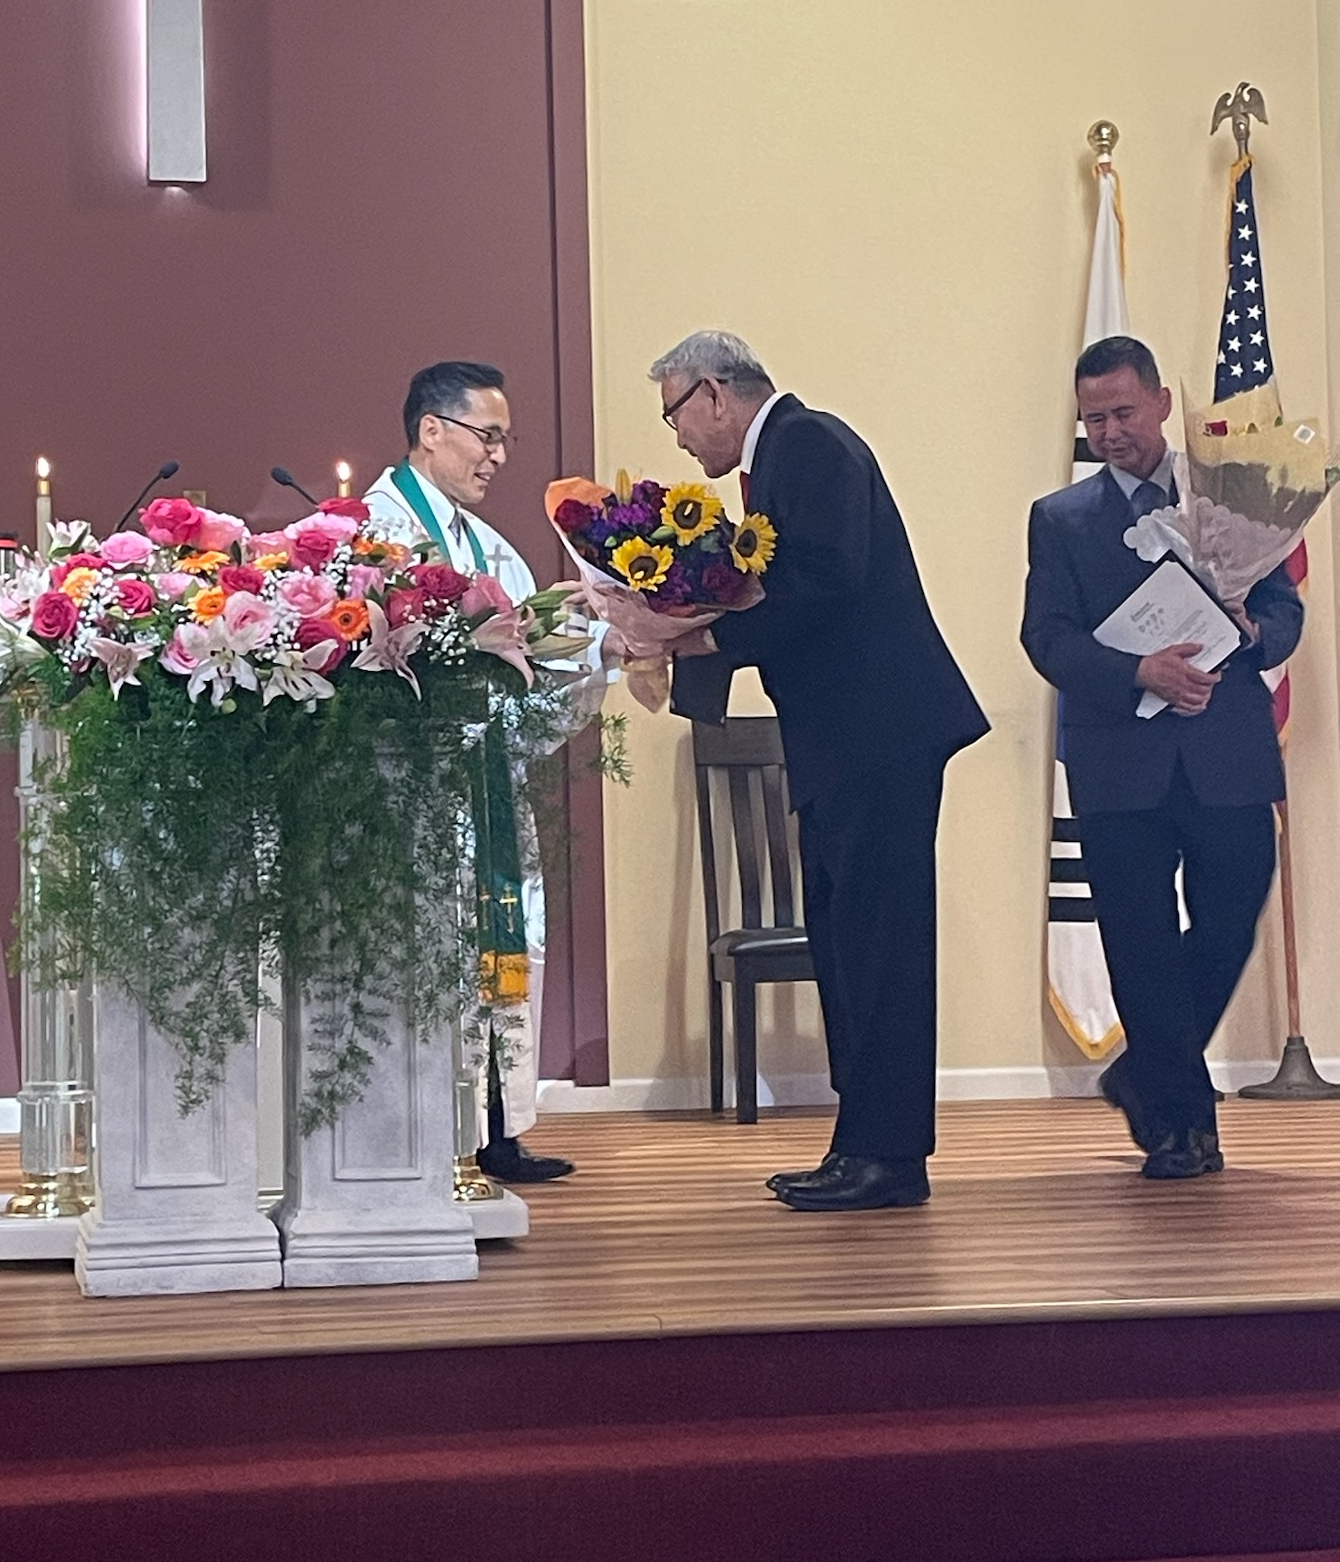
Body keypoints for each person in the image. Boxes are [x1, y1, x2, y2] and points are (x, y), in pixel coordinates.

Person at [657, 331, 989, 1212]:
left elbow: (828, 583)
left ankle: (890, 1156)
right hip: (848, 740)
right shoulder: (786, 455)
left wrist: (710, 636)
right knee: (848, 946)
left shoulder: (809, 443)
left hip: (878, 734)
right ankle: (861, 1145)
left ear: (714, 394)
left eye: (675, 415)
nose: (679, 437)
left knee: (880, 948)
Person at [1022, 335, 1302, 1179]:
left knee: (1233, 913)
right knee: (1138, 943)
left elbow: (1284, 610)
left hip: (1228, 752)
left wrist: (1253, 629)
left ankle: (1145, 1071)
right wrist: (1137, 671)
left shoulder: (1229, 496)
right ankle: (1182, 1124)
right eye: (1094, 419)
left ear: (1162, 404)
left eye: (1123, 413)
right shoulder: (1060, 519)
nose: (1110, 432)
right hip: (1118, 762)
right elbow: (1047, 638)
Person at [365, 360, 593, 1185]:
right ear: (432, 430)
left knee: (501, 940)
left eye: (505, 440)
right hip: (403, 794)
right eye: (486, 437)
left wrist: (588, 641)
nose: (497, 456)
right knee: (422, 953)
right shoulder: (373, 534)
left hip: (484, 785)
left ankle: (494, 1128)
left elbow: (531, 674)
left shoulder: (489, 548)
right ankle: (419, 1130)